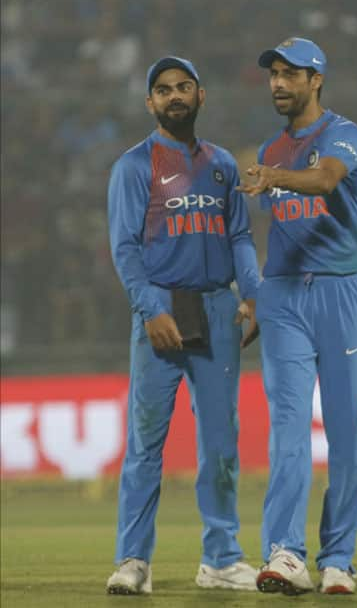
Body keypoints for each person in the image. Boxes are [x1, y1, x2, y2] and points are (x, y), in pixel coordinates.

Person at [106, 56, 260, 595]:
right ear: (150, 103)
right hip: (161, 314)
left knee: (220, 442)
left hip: (217, 310)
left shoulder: (221, 165)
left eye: (184, 87)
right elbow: (124, 248)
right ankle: (133, 561)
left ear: (201, 96)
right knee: (145, 444)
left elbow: (239, 236)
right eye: (164, 90)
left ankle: (220, 557)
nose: (175, 96)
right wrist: (152, 309)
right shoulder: (133, 166)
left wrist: (253, 294)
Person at [239, 37, 357, 595]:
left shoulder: (344, 133)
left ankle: (338, 557)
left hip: (342, 293)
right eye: (273, 72)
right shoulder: (271, 146)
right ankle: (286, 553)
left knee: (345, 434)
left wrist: (274, 177)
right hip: (286, 296)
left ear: (316, 80)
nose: (278, 82)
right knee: (288, 430)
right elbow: (282, 231)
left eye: (290, 74)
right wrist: (258, 299)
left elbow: (324, 181)